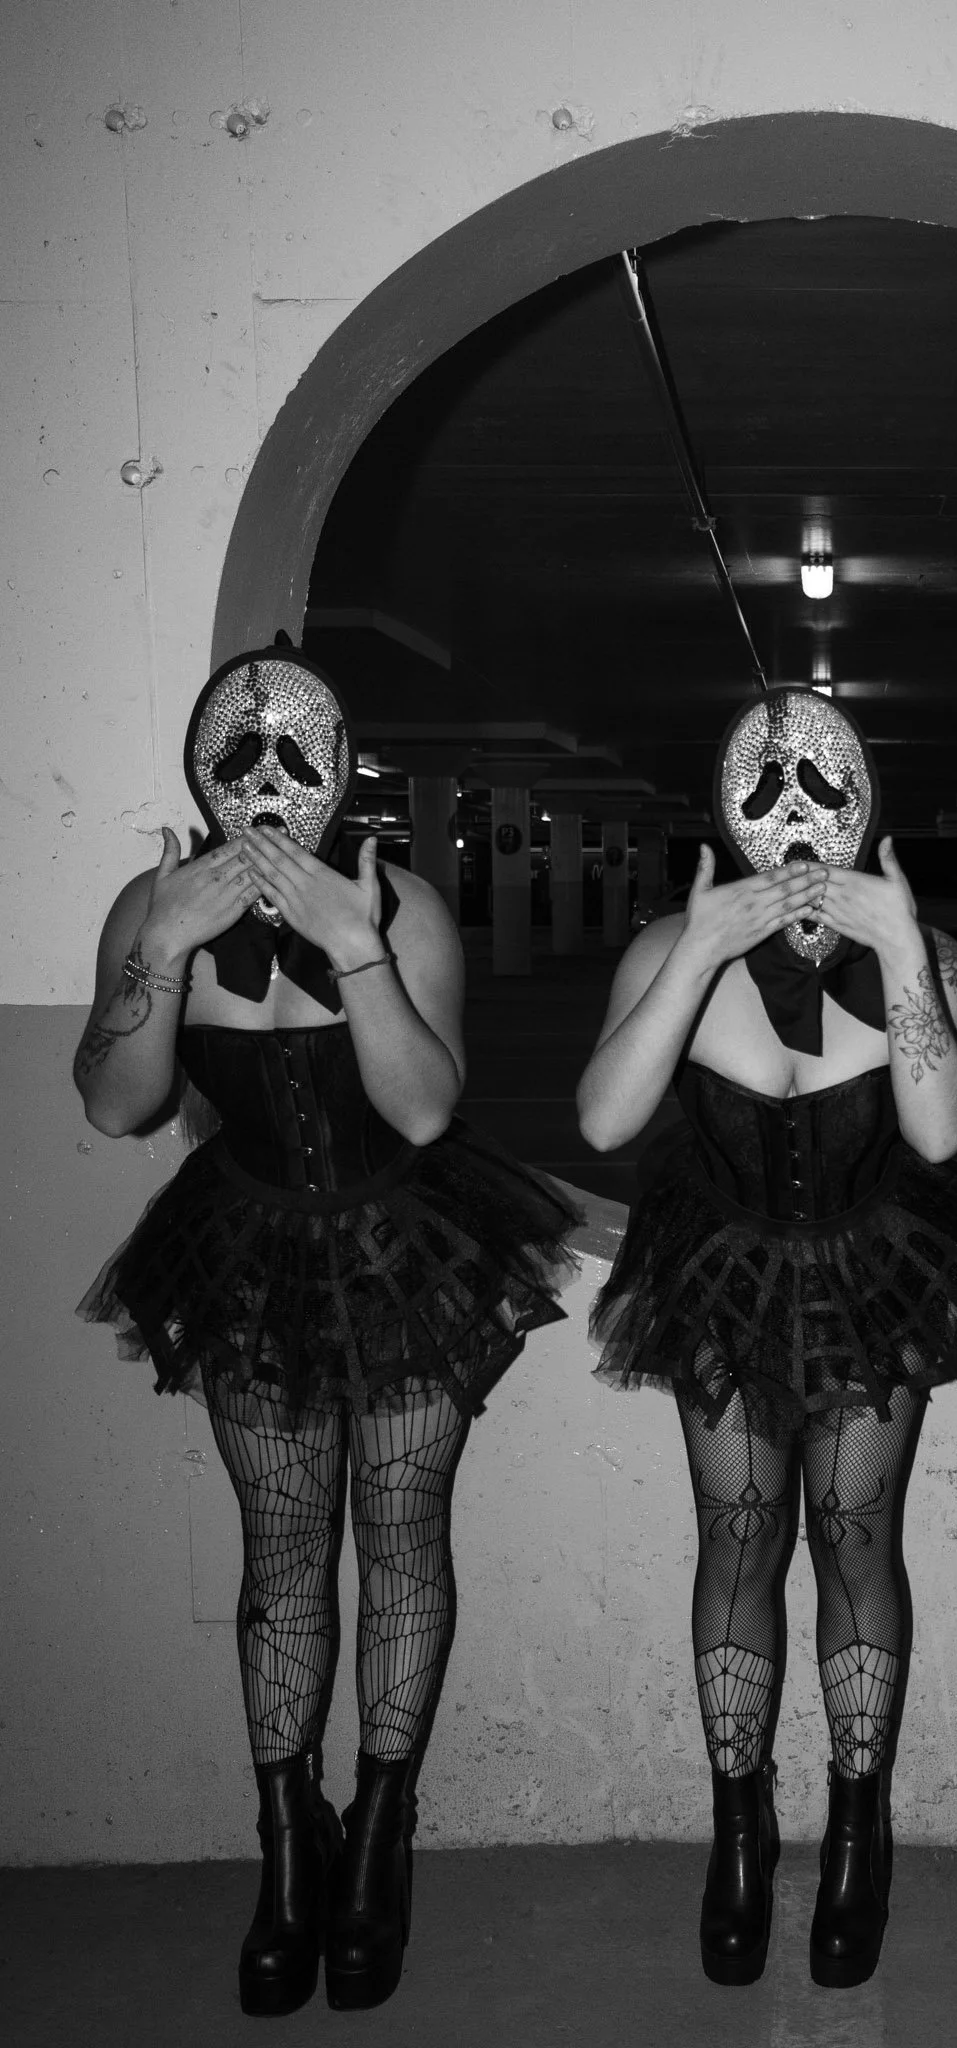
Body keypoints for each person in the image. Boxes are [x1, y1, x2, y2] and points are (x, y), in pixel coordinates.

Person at [76, 647, 579, 2016]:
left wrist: (359, 950)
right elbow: (117, 1104)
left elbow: (423, 1110)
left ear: (341, 766)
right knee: (284, 1553)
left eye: (297, 760)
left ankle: (381, 1839)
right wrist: (164, 946)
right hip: (248, 1252)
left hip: (405, 1242)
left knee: (403, 1530)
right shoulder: (150, 901)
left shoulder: (403, 905)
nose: (267, 789)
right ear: (199, 766)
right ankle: (287, 1851)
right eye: (237, 760)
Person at [579, 687, 957, 1989]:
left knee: (851, 1539)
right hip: (722, 1274)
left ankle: (857, 1829)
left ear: (865, 807)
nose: (795, 822)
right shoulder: (674, 945)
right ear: (729, 810)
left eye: (823, 794)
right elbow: (608, 1122)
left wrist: (901, 948)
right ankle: (737, 1835)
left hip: (874, 1277)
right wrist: (692, 950)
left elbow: (945, 1132)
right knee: (735, 1535)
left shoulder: (932, 959)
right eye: (767, 795)